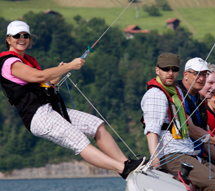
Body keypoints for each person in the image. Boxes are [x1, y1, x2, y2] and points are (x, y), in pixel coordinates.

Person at [0, 20, 145, 180]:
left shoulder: (28, 60)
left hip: (50, 110)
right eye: (17, 36)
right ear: (8, 39)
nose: (22, 38)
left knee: (96, 125)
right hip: (37, 116)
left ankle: (128, 163)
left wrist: (59, 72)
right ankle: (124, 169)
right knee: (79, 141)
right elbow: (39, 76)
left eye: (25, 35)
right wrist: (68, 66)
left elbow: (45, 85)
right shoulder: (9, 63)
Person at [141, 53, 215, 191]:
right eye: (166, 69)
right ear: (157, 70)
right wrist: (155, 159)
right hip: (172, 155)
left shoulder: (177, 94)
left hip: (190, 153)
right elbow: (152, 130)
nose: (170, 73)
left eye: (174, 69)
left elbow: (192, 128)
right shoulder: (156, 94)